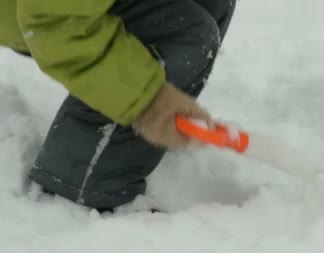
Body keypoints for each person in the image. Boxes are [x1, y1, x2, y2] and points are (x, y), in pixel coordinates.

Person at [0, 0, 235, 210]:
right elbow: (52, 21)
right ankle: (80, 188)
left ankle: (131, 141)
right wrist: (148, 100)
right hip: (45, 12)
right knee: (186, 34)